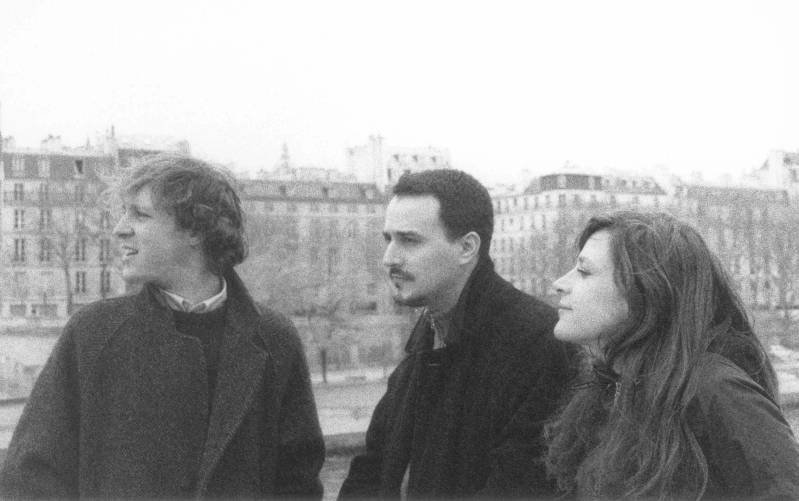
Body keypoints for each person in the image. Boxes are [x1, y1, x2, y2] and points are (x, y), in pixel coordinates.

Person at [0, 154, 325, 498]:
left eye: (139, 214)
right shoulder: (92, 334)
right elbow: (31, 478)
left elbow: (298, 482)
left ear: (196, 229)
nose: (119, 228)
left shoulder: (276, 340)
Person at [338, 169, 575, 499]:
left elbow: (522, 486)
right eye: (388, 239)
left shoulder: (539, 344)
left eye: (409, 240)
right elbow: (369, 474)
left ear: (466, 247)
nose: (389, 258)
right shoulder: (425, 346)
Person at [545, 211, 799, 499]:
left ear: (645, 293)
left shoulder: (714, 388)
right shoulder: (611, 389)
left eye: (584, 272)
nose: (559, 283)